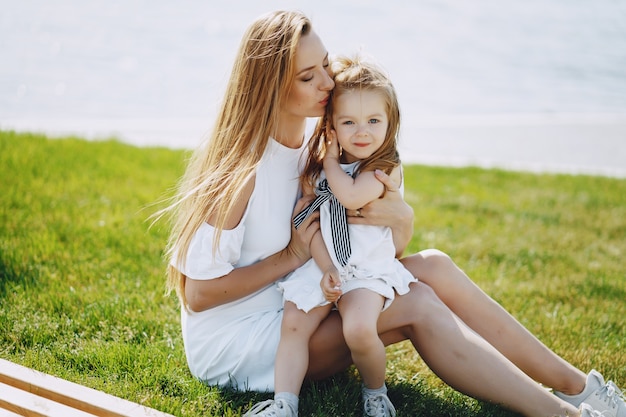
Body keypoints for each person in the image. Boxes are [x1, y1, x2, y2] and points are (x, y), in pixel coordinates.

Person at [159, 10, 625, 417]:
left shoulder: (319, 147)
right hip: (244, 340)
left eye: (324, 65)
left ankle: (580, 386)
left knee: (434, 265)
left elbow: (378, 250)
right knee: (417, 303)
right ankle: (561, 414)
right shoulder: (241, 173)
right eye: (308, 77)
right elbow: (198, 296)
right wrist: (294, 255)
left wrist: (401, 221)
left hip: (305, 295)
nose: (328, 81)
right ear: (268, 86)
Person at [243, 55, 415, 417]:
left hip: (365, 268)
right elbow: (315, 227)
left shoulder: (383, 167)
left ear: (390, 122)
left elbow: (350, 196)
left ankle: (375, 393)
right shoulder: (323, 170)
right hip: (326, 265)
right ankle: (284, 403)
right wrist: (324, 270)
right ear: (331, 127)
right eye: (349, 122)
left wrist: (332, 164)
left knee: (358, 330)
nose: (362, 131)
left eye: (373, 121)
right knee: (293, 322)